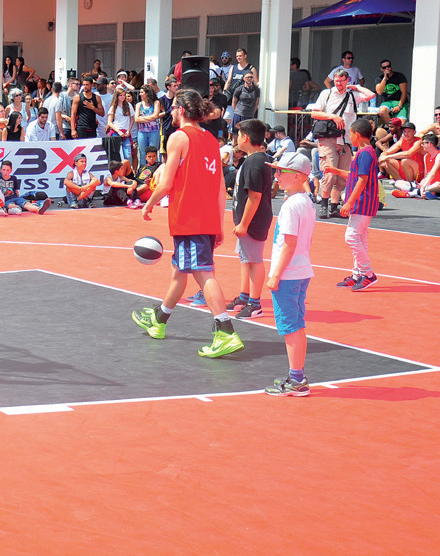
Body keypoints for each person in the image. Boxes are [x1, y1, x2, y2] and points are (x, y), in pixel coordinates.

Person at [132, 88, 244, 359]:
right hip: (205, 218)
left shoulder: (178, 137)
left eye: (172, 108)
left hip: (188, 218)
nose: (170, 111)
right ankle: (159, 319)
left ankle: (225, 330)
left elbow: (167, 182)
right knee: (179, 272)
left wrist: (148, 202)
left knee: (203, 274)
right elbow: (220, 190)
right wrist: (218, 225)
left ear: (181, 110)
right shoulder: (210, 140)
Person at [264, 151, 317, 396]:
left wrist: (275, 274)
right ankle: (296, 375)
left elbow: (289, 244)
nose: (277, 176)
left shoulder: (291, 205)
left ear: (297, 176)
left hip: (289, 274)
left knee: (290, 327)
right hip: (301, 270)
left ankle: (297, 379)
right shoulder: (305, 201)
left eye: (281, 171)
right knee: (296, 325)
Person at [307, 69, 376, 218]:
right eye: (336, 80)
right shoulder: (327, 94)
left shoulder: (353, 95)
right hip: (328, 138)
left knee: (342, 176)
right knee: (329, 172)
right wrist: (332, 117)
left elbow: (371, 95)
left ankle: (334, 206)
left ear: (347, 80)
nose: (338, 83)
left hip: (346, 141)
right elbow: (314, 113)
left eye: (341, 80)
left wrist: (356, 87)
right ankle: (324, 205)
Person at [321, 117, 381, 291]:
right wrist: (336, 170)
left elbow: (362, 181)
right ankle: (357, 274)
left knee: (352, 237)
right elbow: (354, 175)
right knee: (360, 238)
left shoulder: (365, 153)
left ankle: (368, 273)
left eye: (350, 134)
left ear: (356, 134)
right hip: (363, 204)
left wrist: (349, 203)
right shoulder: (365, 153)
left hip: (363, 203)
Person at [229, 119, 274, 320]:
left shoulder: (255, 162)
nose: (237, 139)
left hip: (253, 222)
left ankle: (255, 304)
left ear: (245, 138)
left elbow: (254, 197)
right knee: (245, 259)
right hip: (248, 220)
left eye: (238, 136)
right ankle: (244, 295)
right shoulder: (253, 160)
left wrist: (244, 224)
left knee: (254, 260)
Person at [394, 133, 440, 199]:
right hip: (428, 185)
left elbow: (432, 173)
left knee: (437, 185)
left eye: (423, 143)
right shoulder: (426, 156)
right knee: (398, 183)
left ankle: (412, 193)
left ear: (429, 144)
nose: (422, 145)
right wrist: (422, 184)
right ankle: (422, 192)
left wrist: (423, 187)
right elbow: (426, 175)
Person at [70, 76, 103, 140]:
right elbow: (73, 114)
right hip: (81, 128)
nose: (85, 86)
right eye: (84, 85)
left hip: (92, 128)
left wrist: (93, 108)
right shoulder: (78, 97)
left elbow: (102, 113)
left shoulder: (97, 97)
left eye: (87, 85)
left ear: (91, 85)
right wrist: (73, 129)